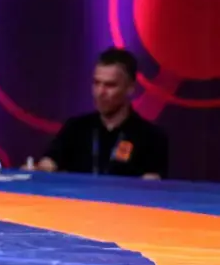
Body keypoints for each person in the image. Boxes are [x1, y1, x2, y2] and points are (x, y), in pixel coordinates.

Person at [34, 48, 168, 179]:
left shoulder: (151, 137)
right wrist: (38, 170)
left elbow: (152, 184)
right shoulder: (75, 128)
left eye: (110, 85)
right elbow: (48, 164)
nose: (100, 92)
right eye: (96, 83)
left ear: (130, 88)